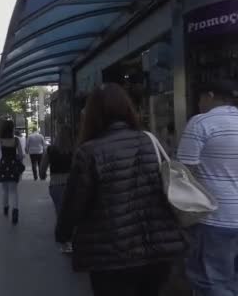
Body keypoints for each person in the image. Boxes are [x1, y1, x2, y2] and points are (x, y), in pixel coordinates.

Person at [56, 83, 187, 296]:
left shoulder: (89, 152)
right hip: (159, 248)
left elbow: (75, 204)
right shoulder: (151, 140)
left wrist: (63, 233)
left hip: (111, 254)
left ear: (91, 115)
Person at [177, 80, 238, 296]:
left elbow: (184, 171)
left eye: (200, 98)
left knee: (212, 280)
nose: (199, 103)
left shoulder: (201, 122)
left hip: (215, 217)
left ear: (210, 95)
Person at [39, 125, 73, 253]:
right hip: (71, 185)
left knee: (60, 212)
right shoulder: (74, 150)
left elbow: (43, 167)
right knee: (71, 212)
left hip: (56, 185)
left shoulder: (50, 150)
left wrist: (42, 175)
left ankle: (65, 242)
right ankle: (71, 239)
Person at [0, 120, 24, 225]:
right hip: (13, 166)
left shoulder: (1, 141)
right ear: (12, 128)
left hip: (3, 166)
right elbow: (21, 155)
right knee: (14, 191)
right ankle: (15, 211)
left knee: (5, 190)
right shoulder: (16, 140)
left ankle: (5, 207)